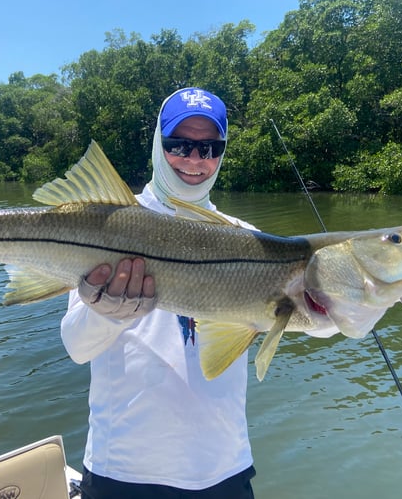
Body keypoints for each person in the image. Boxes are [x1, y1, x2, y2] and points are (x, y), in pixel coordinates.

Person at [61, 87, 256, 498]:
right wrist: (106, 311)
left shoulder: (251, 241)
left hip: (224, 469)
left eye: (209, 147)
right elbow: (77, 346)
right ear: (156, 143)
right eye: (178, 144)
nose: (194, 159)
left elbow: (323, 317)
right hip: (124, 473)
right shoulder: (105, 222)